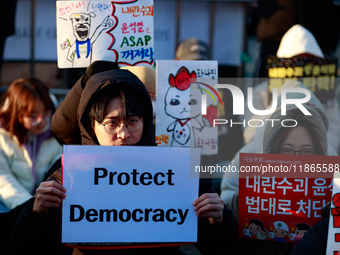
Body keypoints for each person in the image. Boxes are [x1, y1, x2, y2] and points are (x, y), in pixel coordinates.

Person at [7, 63, 237, 255]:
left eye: (133, 121)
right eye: (111, 123)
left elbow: (224, 248)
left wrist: (218, 220)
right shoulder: (68, 175)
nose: (124, 133)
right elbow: (21, 249)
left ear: (146, 121)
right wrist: (36, 214)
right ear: (91, 125)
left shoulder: (179, 171)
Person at [223, 99, 330, 255]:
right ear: (271, 153)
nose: (296, 161)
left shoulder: (332, 207)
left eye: (307, 151)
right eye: (286, 150)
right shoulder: (246, 201)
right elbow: (223, 247)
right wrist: (217, 224)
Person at [0, 78, 62, 212]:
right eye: (33, 117)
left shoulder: (57, 134)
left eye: (46, 114)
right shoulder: (2, 136)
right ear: (16, 114)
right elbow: (3, 180)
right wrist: (29, 206)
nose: (41, 121)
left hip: (43, 207)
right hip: (11, 205)